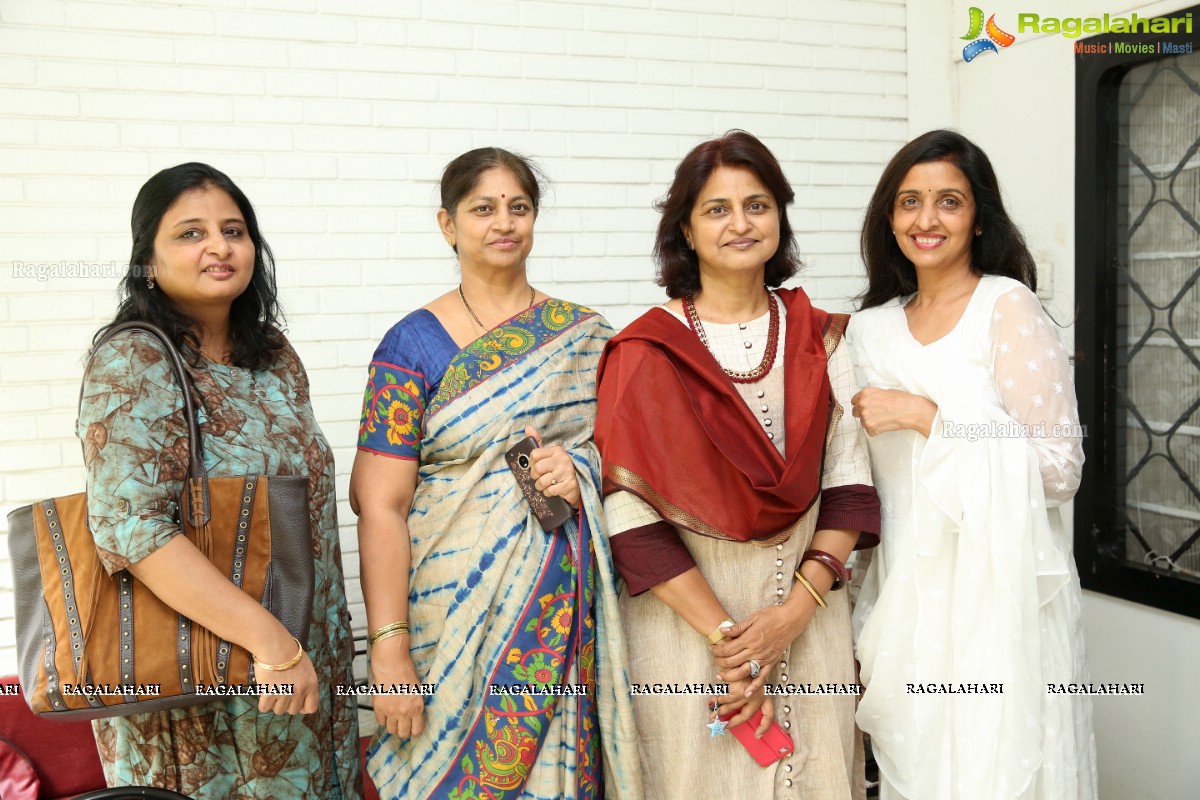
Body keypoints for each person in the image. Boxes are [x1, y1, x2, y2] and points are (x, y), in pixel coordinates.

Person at [594, 130, 881, 800]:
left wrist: (790, 618)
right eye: (716, 209)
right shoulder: (645, 350)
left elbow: (850, 485)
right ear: (686, 232)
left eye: (757, 205)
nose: (740, 223)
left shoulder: (823, 336)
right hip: (690, 631)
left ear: (780, 218)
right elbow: (629, 513)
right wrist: (733, 644)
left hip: (809, 617)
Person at [349, 147, 641, 800]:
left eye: (519, 207)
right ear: (448, 225)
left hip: (562, 612)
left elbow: (635, 465)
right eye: (483, 209)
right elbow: (380, 505)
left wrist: (581, 468)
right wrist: (389, 650)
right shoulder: (410, 346)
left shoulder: (585, 337)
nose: (503, 222)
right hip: (446, 615)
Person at [78, 163, 362, 797]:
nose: (218, 246)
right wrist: (271, 642)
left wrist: (295, 650)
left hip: (299, 661)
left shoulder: (274, 354)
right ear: (147, 259)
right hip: (207, 673)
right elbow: (130, 526)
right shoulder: (136, 358)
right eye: (190, 233)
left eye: (233, 230)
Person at [848, 129, 1098, 799]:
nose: (926, 220)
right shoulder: (868, 330)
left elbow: (1059, 469)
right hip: (905, 601)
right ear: (889, 216)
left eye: (948, 201)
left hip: (1001, 601)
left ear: (978, 216)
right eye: (909, 202)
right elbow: (869, 485)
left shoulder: (1005, 308)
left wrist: (929, 418)